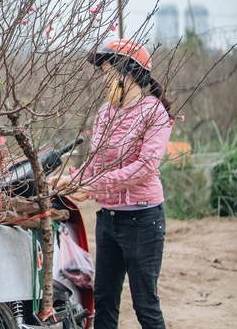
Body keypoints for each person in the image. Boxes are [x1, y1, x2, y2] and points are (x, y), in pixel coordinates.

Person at [48, 39, 173, 329]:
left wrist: (93, 186)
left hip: (143, 219)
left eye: (107, 72)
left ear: (129, 73)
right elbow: (95, 165)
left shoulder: (154, 113)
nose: (104, 80)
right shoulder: (105, 113)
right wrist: (72, 179)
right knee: (103, 300)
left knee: (145, 304)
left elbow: (145, 167)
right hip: (109, 219)